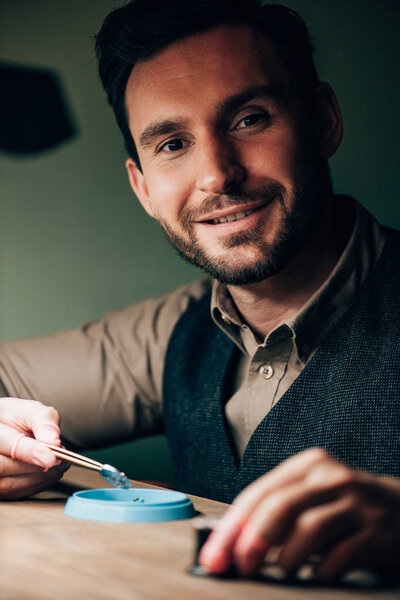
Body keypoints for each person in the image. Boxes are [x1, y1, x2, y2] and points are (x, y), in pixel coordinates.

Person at [1, 0, 399, 583]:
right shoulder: (168, 333)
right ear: (141, 186)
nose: (216, 174)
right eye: (171, 144)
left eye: (248, 119)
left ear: (321, 121)